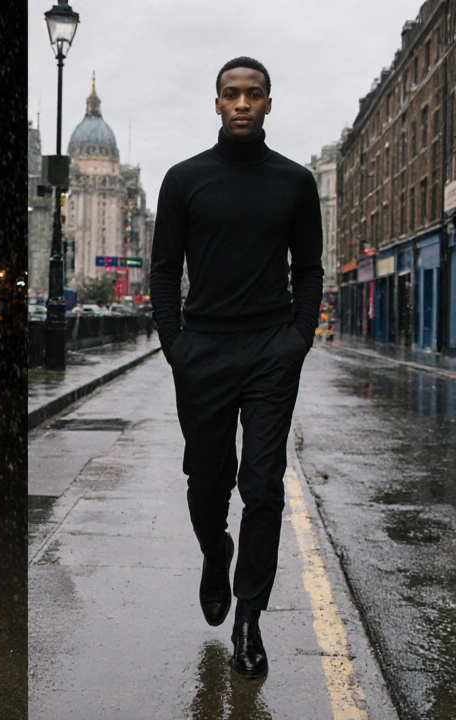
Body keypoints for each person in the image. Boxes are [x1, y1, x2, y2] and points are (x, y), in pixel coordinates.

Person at [150, 56, 323, 679]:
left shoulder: (295, 183)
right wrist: (176, 344)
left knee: (264, 486)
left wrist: (297, 337)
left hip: (271, 352)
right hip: (204, 351)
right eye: (231, 94)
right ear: (217, 103)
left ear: (269, 104)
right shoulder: (184, 179)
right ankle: (214, 551)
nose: (243, 103)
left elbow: (308, 270)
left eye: (254, 94)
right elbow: (165, 270)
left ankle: (249, 615)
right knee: (206, 482)